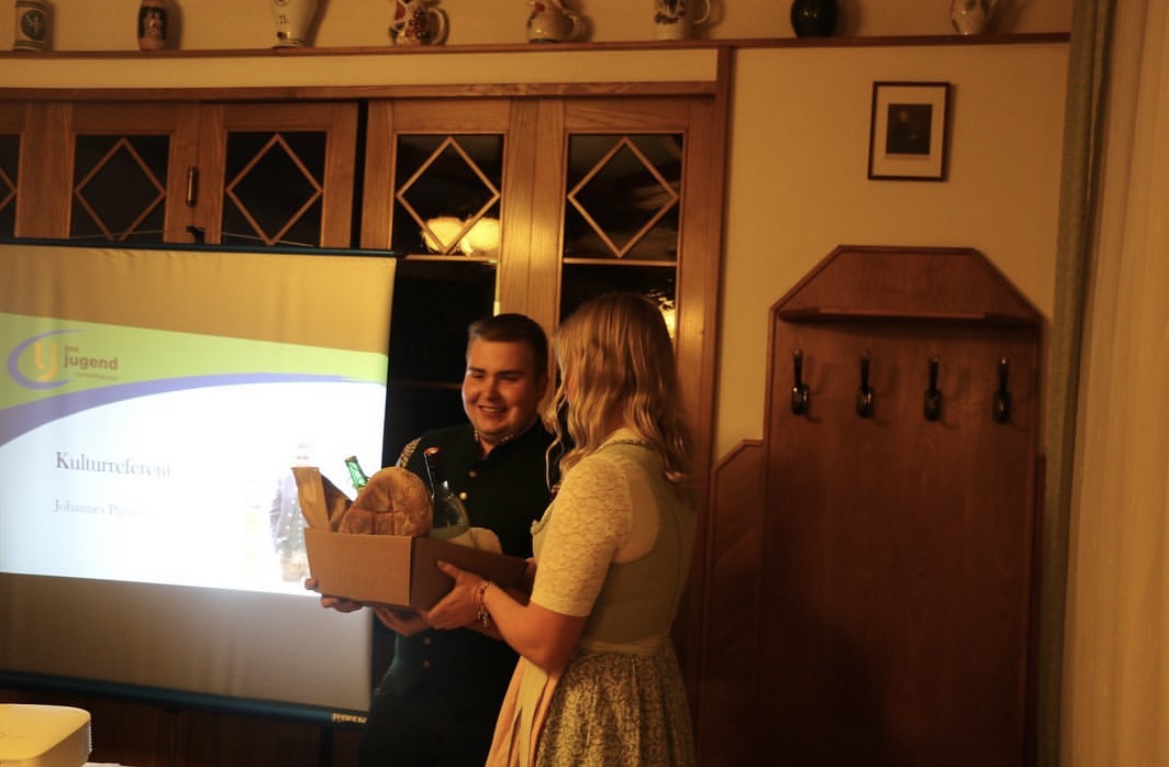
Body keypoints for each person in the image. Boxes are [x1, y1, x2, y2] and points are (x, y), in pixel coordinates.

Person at [428, 292, 699, 766]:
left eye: (568, 366)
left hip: (594, 708)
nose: (566, 383)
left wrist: (481, 592)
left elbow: (545, 643)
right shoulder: (663, 466)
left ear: (595, 372)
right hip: (647, 694)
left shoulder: (602, 475)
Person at [314, 312, 557, 767]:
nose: (488, 393)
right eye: (477, 374)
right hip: (401, 704)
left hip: (497, 715)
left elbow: (560, 607)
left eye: (509, 378)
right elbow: (390, 556)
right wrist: (352, 586)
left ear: (543, 384)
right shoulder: (422, 448)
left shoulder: (563, 467)